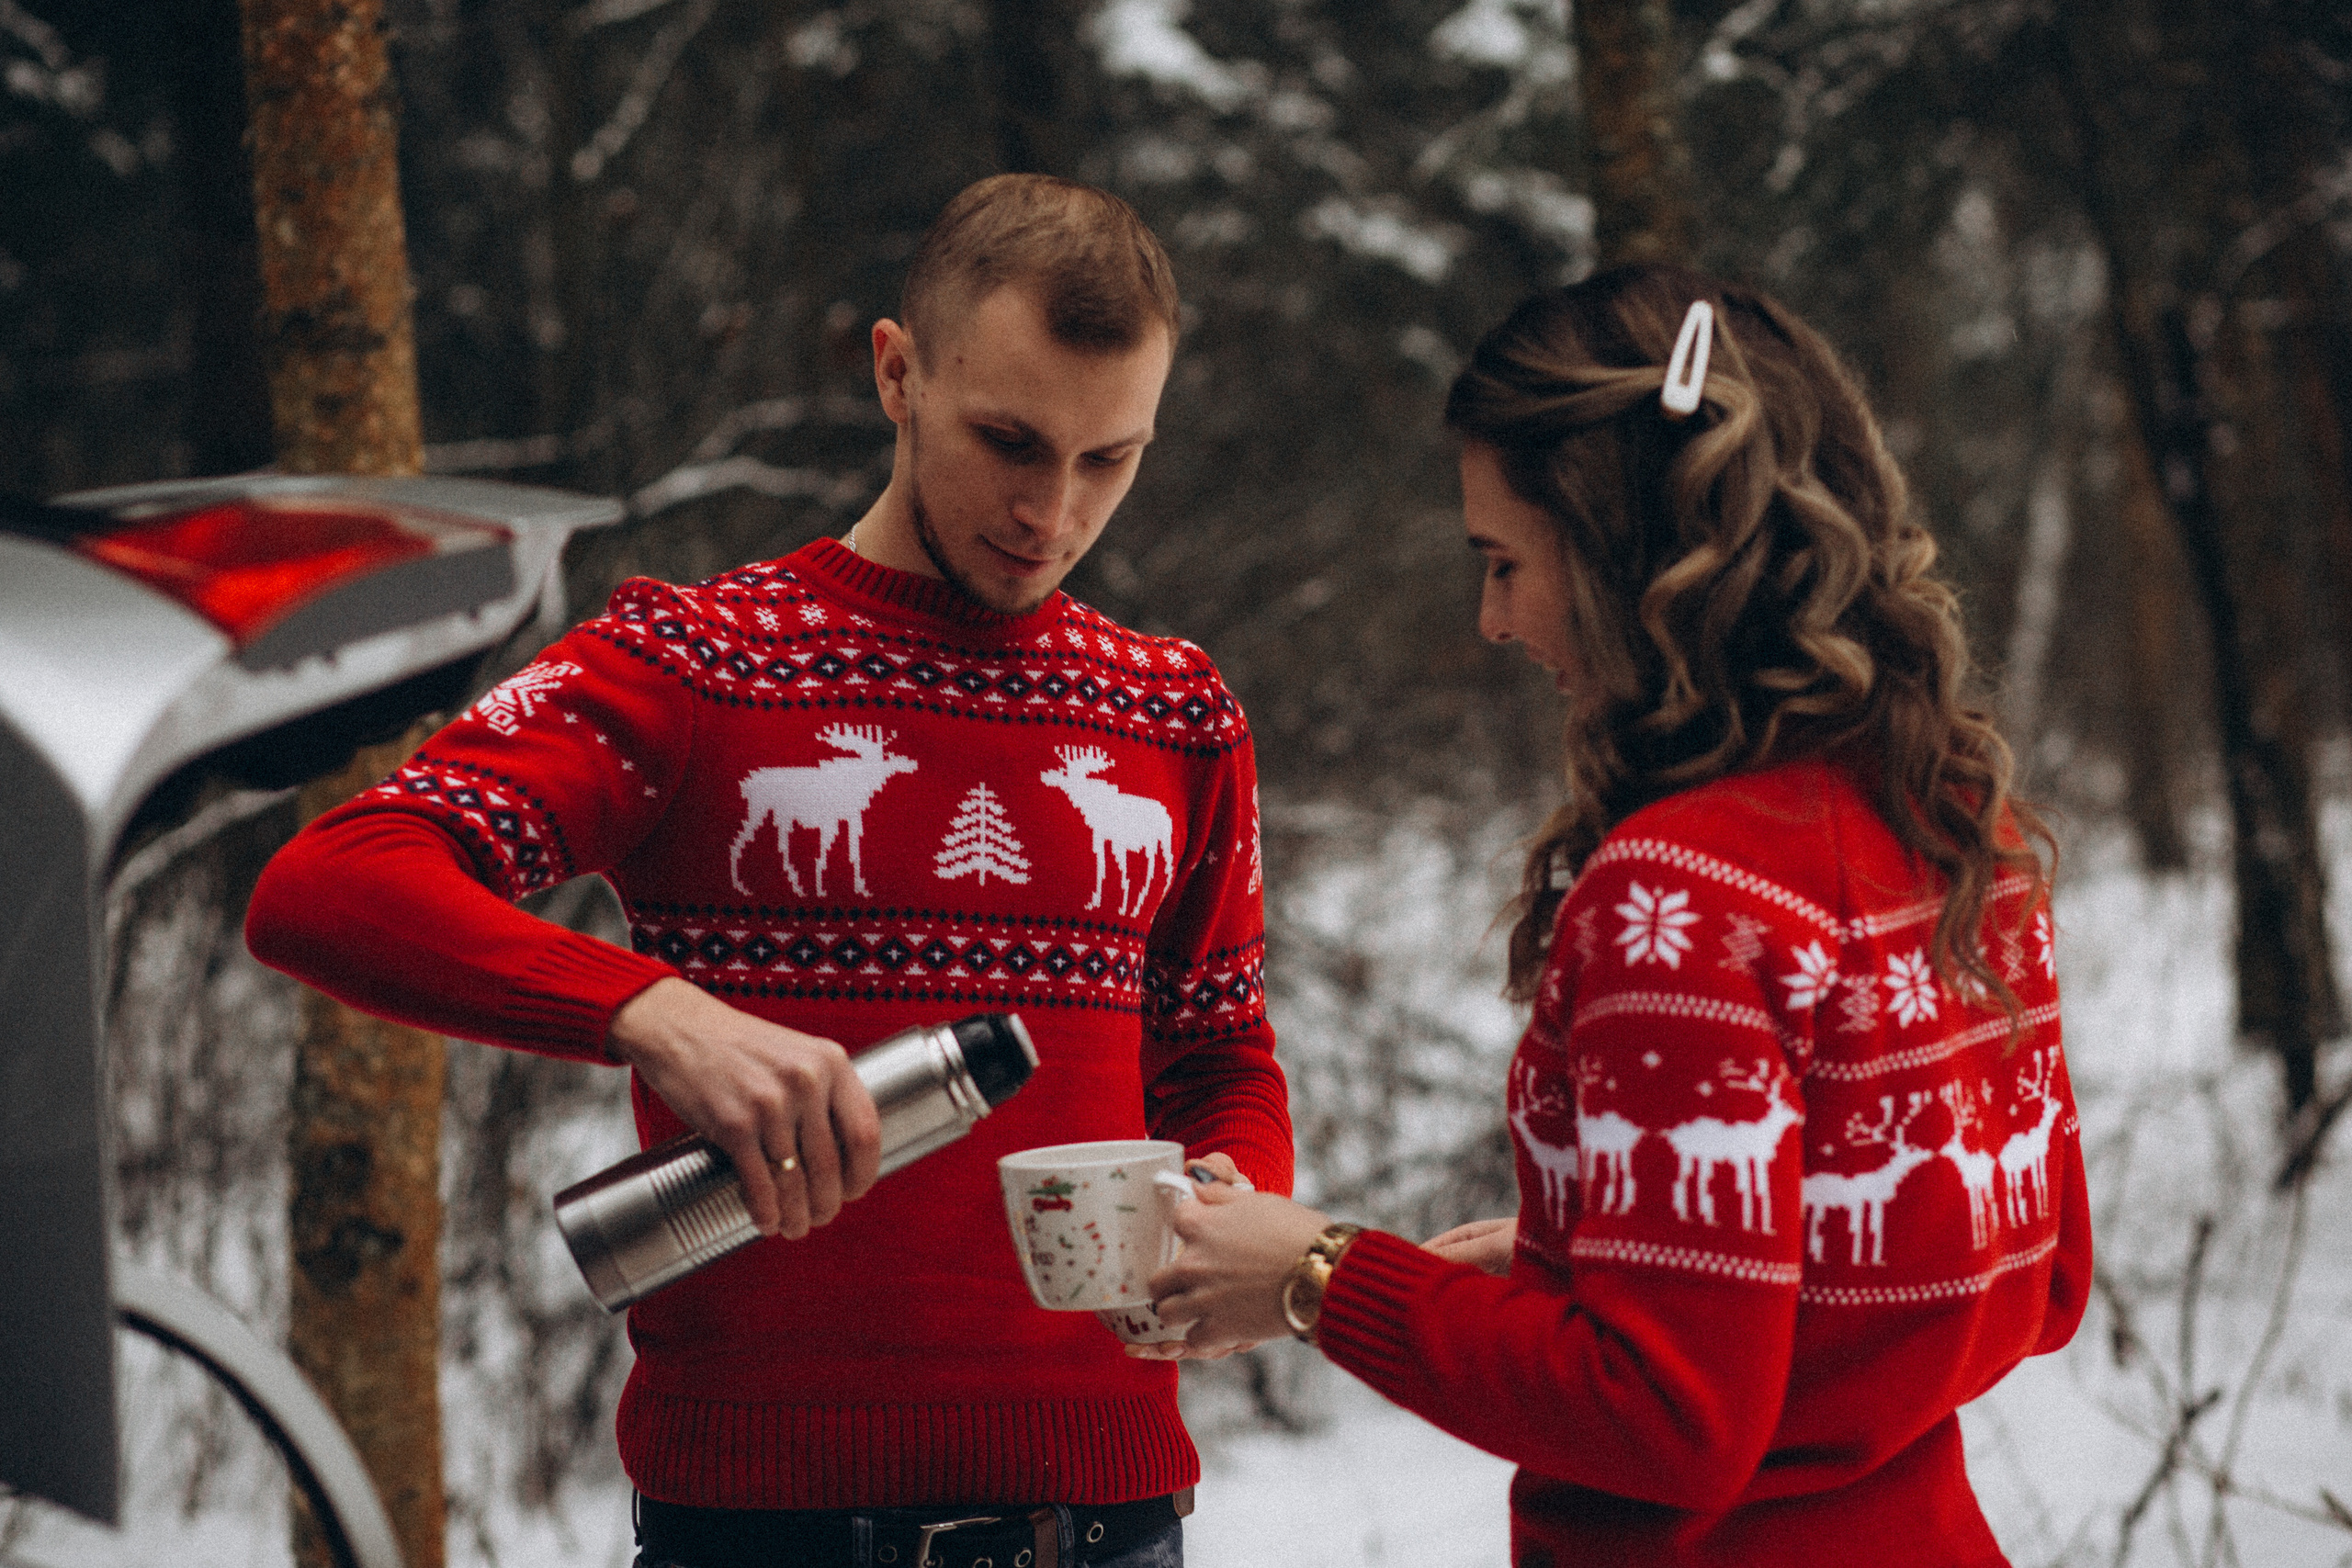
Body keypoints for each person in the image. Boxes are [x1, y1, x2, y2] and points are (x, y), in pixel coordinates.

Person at [246, 174, 1291, 1568]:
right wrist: (658, 1014)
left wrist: (1236, 1217)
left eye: (1111, 459)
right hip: (763, 1531)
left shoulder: (1175, 710)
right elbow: (332, 880)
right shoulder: (698, 663)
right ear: (896, 373)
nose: (1052, 512)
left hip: (1107, 1523)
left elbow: (1220, 1045)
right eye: (1009, 441)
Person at [1147, 265, 2091, 1565]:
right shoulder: (1957, 824)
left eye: (1506, 564)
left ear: (1627, 560)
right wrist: (1606, 1268)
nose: (1493, 621)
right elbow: (2039, 1284)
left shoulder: (1680, 896)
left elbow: (1664, 1419)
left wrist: (1320, 1274)